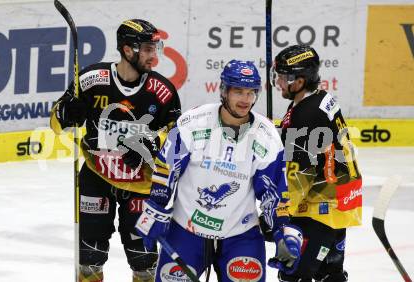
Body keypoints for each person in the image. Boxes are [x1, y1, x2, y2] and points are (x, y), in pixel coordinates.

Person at [135, 60, 303, 281]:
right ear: (224, 91)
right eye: (238, 91)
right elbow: (167, 168)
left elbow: (274, 192)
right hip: (186, 231)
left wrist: (283, 231)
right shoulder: (193, 122)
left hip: (240, 235)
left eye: (251, 92)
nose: (245, 99)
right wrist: (155, 208)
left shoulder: (267, 136)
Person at [50, 19, 181, 282]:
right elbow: (55, 124)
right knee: (89, 257)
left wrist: (152, 143)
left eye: (155, 48)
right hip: (96, 178)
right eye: (147, 49)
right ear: (127, 49)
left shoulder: (163, 91)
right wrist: (66, 113)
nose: (154, 56)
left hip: (140, 184)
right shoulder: (90, 80)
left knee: (144, 262)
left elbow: (178, 136)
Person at [269, 44, 362, 281]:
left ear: (299, 81)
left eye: (281, 77)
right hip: (341, 196)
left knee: (295, 273)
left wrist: (279, 212)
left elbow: (299, 176)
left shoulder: (304, 115)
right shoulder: (321, 99)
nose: (278, 82)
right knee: (329, 274)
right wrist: (282, 132)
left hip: (322, 208)